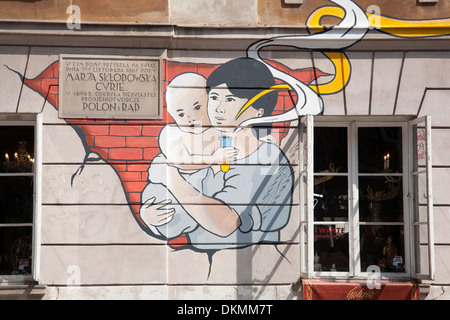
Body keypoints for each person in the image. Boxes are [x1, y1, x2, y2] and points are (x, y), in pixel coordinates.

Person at [142, 58, 294, 250]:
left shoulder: (266, 158)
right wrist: (149, 215)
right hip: (198, 266)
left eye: (230, 99)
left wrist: (171, 177)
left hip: (246, 268)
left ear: (258, 111)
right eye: (214, 98)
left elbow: (225, 224)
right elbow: (178, 216)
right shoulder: (207, 147)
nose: (218, 108)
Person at [140, 73, 238, 239]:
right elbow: (180, 161)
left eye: (197, 107)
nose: (191, 118)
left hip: (199, 196)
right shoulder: (173, 133)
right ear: (172, 115)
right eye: (181, 114)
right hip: (168, 189)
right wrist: (213, 159)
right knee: (164, 212)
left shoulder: (220, 130)